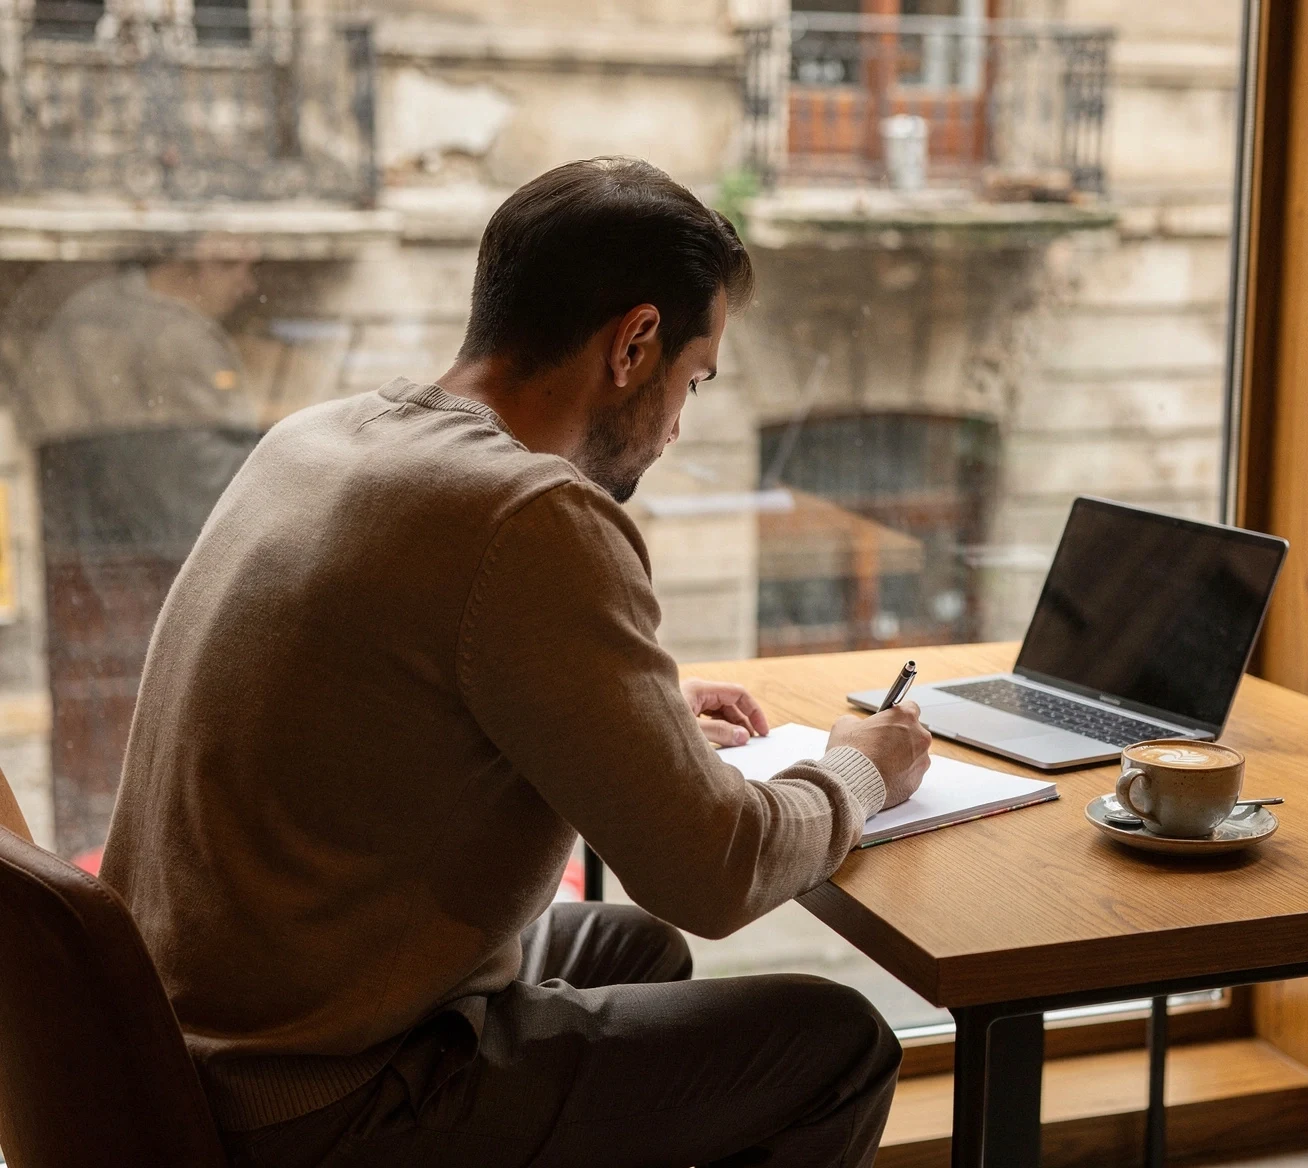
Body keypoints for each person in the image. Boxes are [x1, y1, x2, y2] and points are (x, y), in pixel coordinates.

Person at [99, 158, 933, 1168]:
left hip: (179, 1046)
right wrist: (862, 767)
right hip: (319, 1098)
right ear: (635, 343)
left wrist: (641, 706)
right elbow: (717, 874)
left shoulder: (318, 439)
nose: (677, 425)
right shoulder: (529, 513)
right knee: (840, 1047)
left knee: (636, 952)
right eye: (694, 378)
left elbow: (393, 675)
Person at [11, 248, 261, 858]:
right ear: (187, 264)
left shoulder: (87, 314)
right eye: (232, 264)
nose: (248, 283)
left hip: (90, 543)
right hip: (151, 553)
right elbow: (202, 474)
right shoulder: (169, 333)